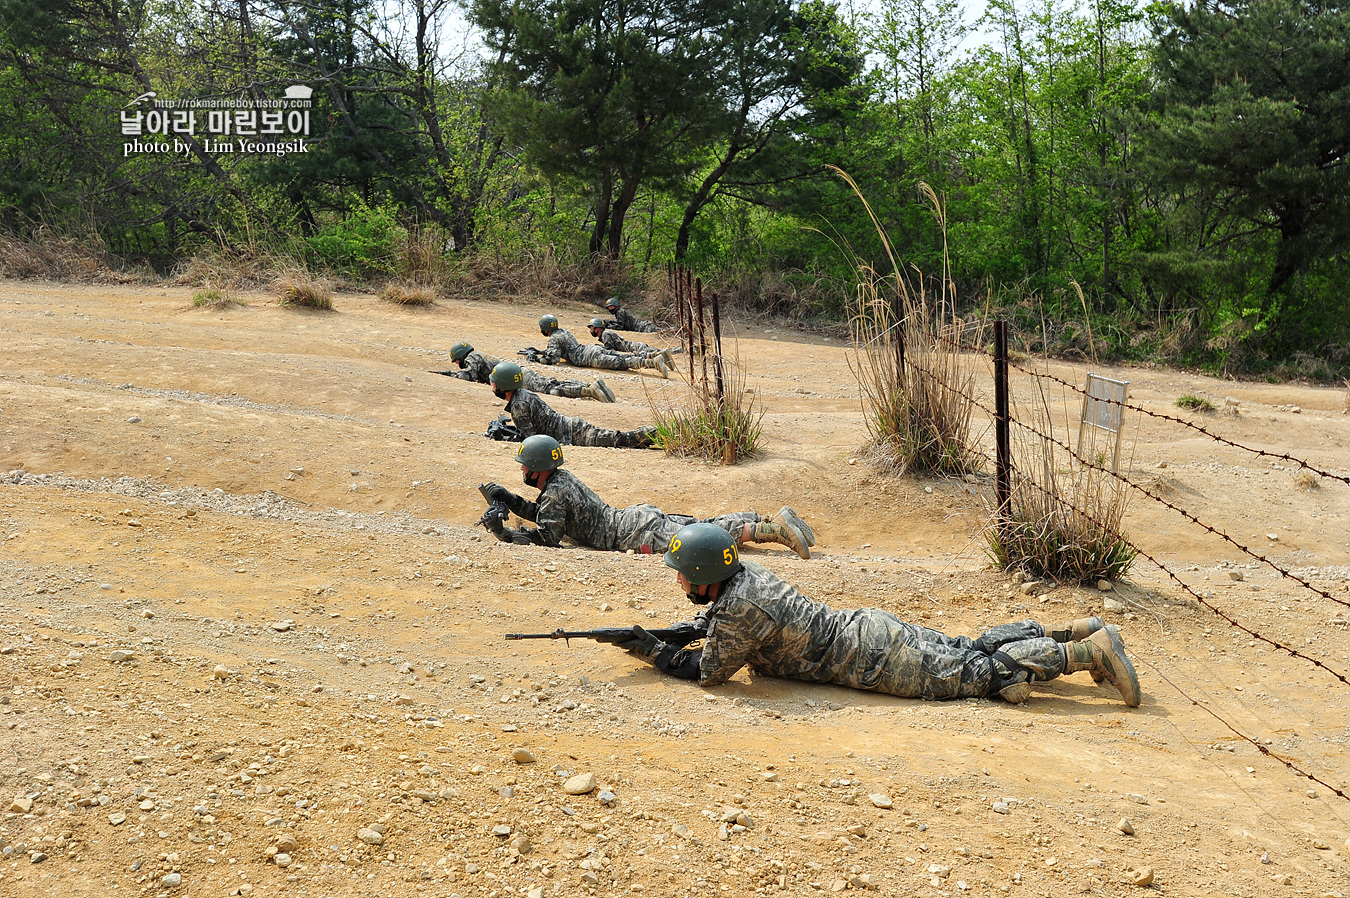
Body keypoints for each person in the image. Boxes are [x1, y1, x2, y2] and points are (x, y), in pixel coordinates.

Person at [609, 522, 1141, 707]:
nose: (679, 580)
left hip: (874, 661)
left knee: (975, 675)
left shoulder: (739, 610)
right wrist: (649, 634)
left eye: (682, 573)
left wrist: (654, 652)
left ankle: (1081, 653)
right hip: (870, 631)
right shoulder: (743, 584)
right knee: (965, 647)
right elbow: (702, 629)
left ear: (705, 575)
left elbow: (708, 673)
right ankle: (1068, 630)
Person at [480, 435, 814, 559]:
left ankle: (769, 531)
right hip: (635, 519)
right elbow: (546, 515)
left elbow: (548, 537)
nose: (522, 470)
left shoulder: (553, 494)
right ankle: (768, 518)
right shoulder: (560, 481)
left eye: (524, 465)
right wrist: (508, 499)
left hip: (633, 532)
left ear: (536, 467)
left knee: (700, 542)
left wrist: (505, 534)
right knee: (700, 526)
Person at [489, 362, 658, 449]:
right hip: (572, 427)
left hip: (572, 434)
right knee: (617, 439)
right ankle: (650, 436)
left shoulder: (518, 405)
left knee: (619, 439)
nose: (493, 386)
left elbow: (530, 440)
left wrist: (503, 438)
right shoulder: (522, 395)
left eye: (494, 383)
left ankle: (656, 433)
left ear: (504, 385)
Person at [434, 340, 615, 402]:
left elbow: (467, 376)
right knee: (552, 384)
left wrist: (450, 376)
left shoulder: (472, 357)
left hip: (517, 377)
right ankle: (590, 386)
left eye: (457, 360)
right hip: (518, 374)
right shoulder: (478, 354)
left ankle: (589, 390)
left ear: (460, 356)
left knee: (552, 389)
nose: (458, 363)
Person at [527, 315, 670, 378]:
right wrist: (540, 351)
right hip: (591, 349)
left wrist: (535, 359)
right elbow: (560, 349)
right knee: (620, 356)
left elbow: (553, 359)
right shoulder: (563, 331)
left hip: (589, 357)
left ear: (545, 328)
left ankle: (652, 362)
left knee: (622, 362)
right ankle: (651, 357)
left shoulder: (554, 337)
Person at [588, 319, 676, 368]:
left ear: (597, 328)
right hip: (636, 346)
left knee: (665, 352)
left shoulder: (605, 334)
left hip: (635, 348)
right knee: (660, 353)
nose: (591, 331)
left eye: (592, 328)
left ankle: (681, 350)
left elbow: (610, 351)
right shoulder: (606, 333)